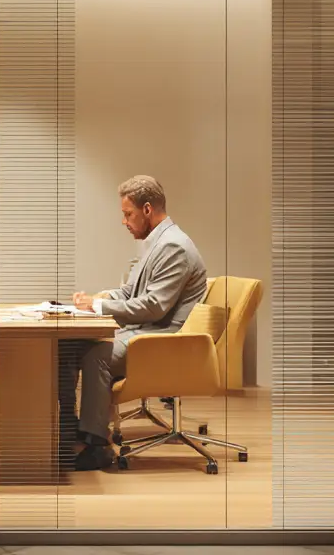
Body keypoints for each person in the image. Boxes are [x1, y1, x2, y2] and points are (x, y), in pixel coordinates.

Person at [59, 175, 208, 471]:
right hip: (144, 332)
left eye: (128, 214)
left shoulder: (174, 247)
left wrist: (100, 306)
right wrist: (98, 298)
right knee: (67, 345)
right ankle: (70, 429)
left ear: (148, 210)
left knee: (95, 355)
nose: (124, 221)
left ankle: (97, 445)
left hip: (161, 341)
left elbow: (154, 307)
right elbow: (131, 292)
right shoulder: (156, 243)